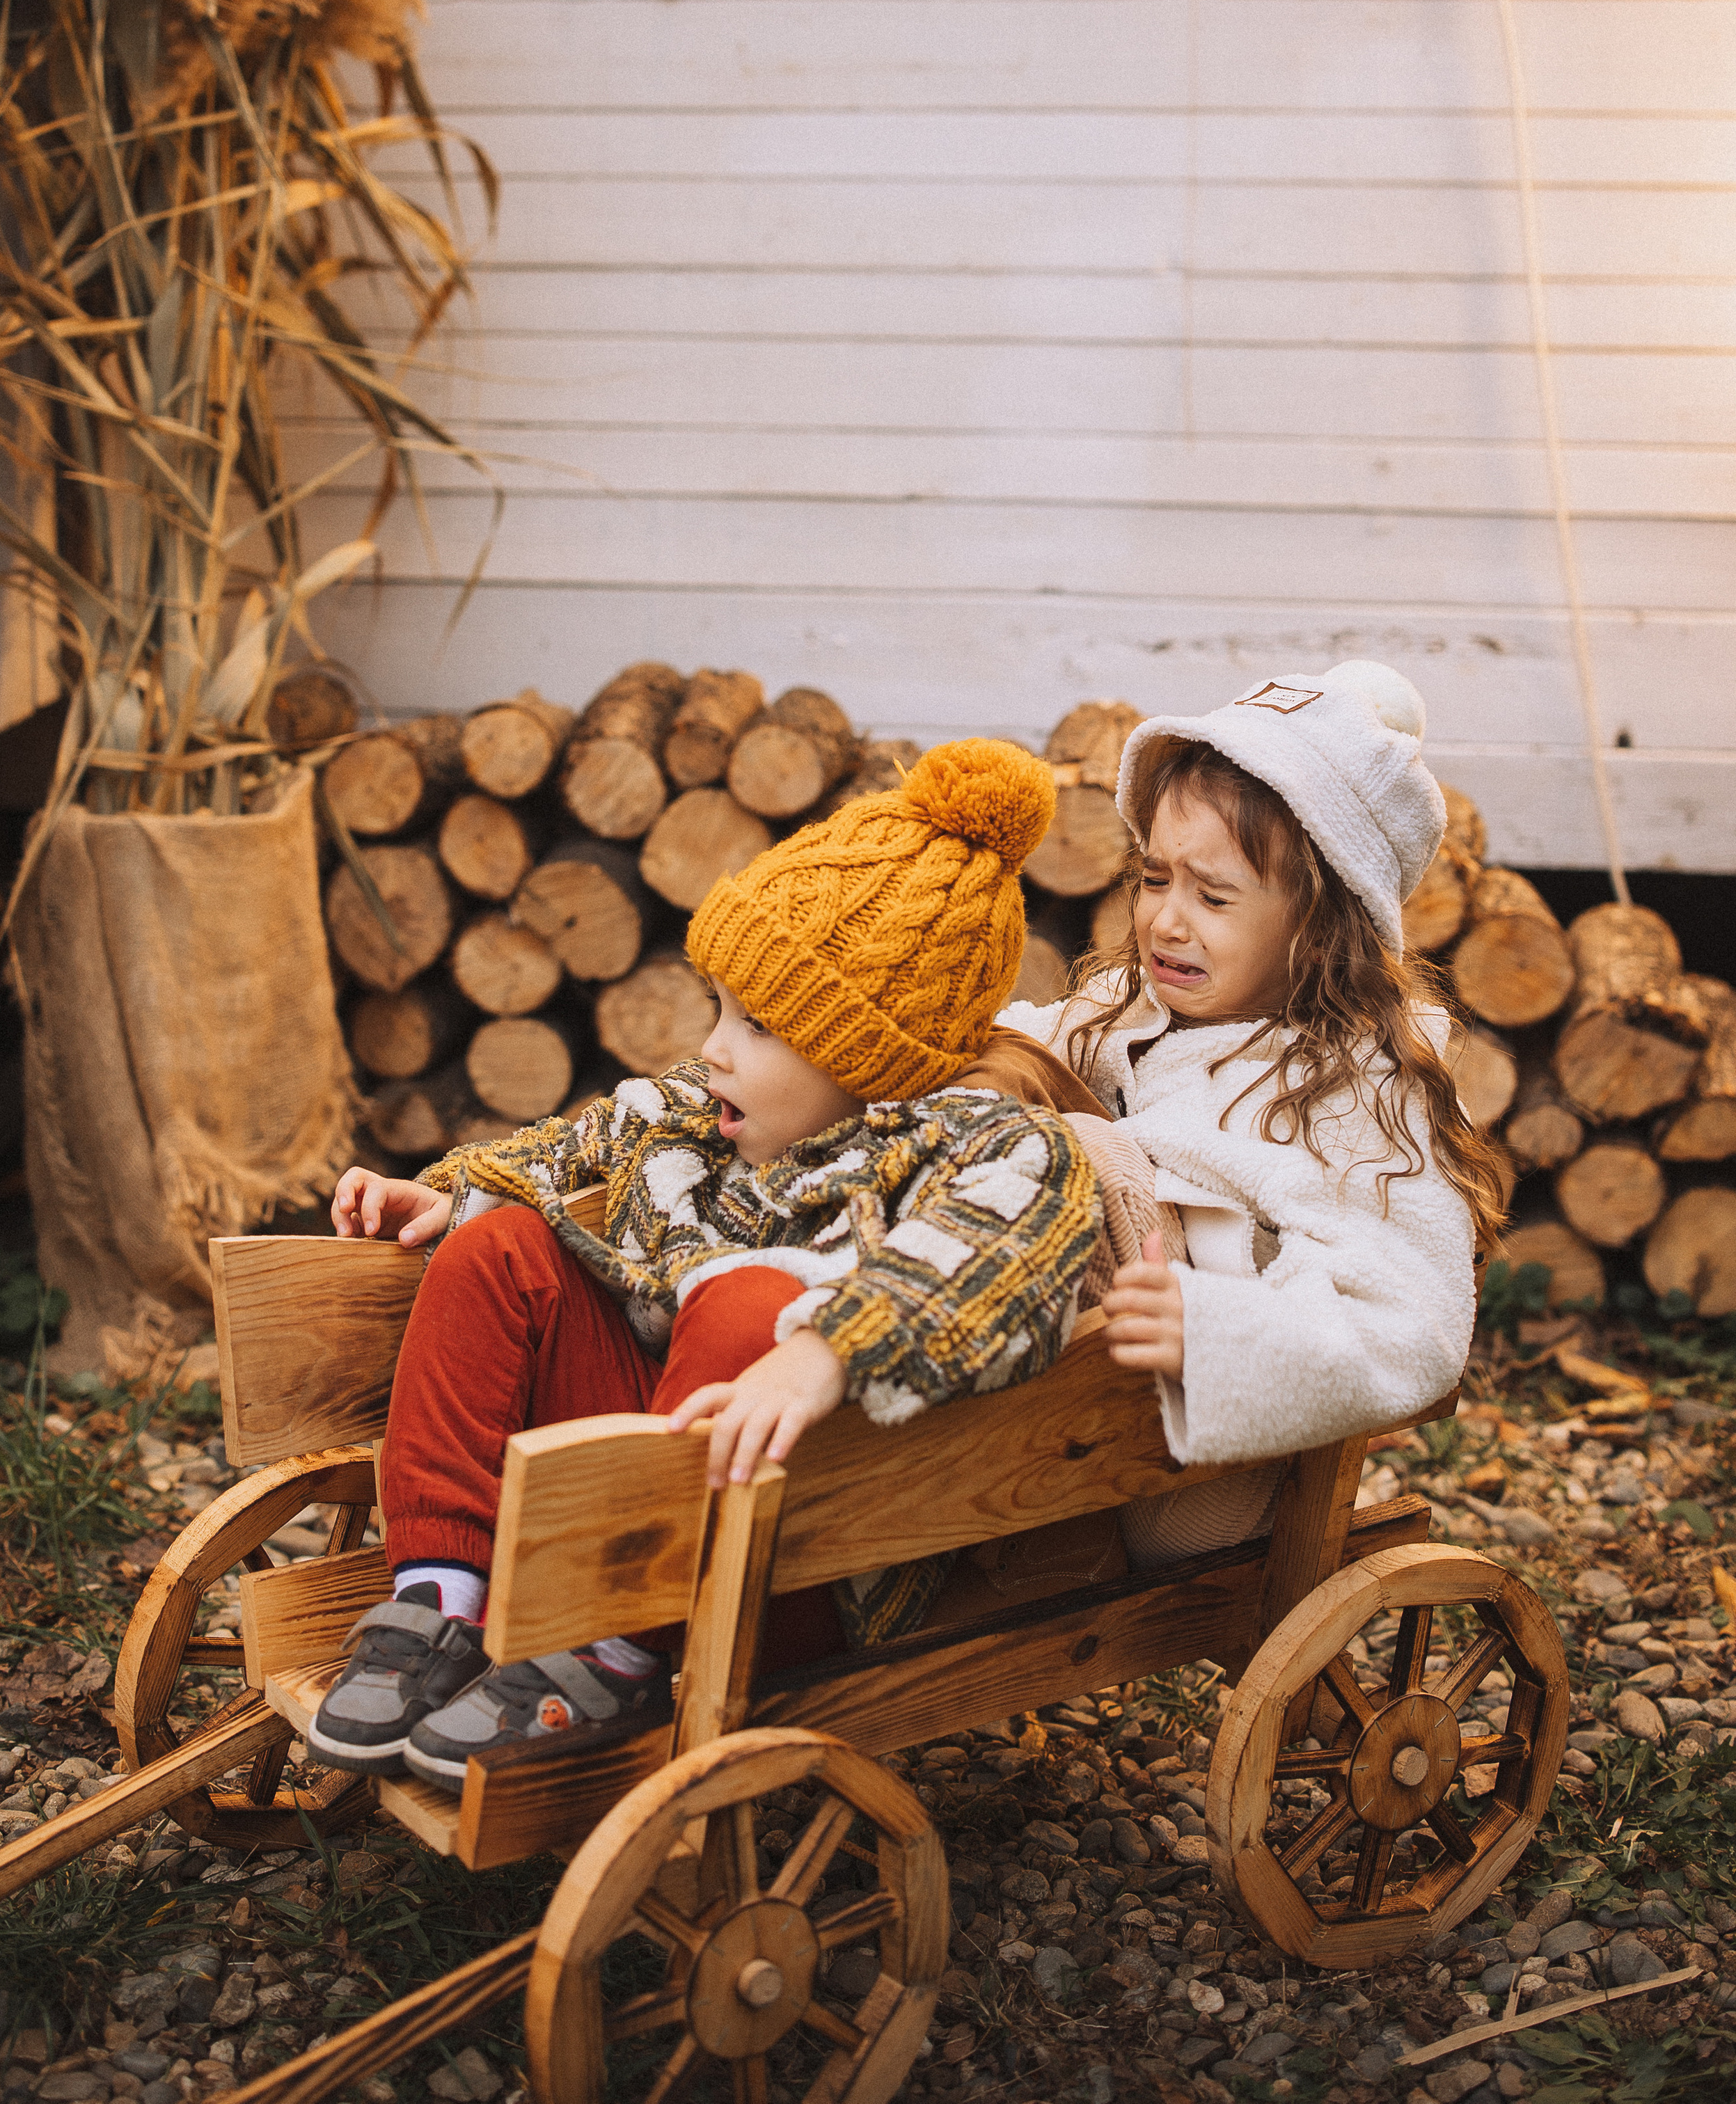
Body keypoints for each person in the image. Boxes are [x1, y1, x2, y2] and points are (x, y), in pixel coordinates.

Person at [306, 738, 1099, 1789]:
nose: (714, 1047)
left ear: (869, 1057)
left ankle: (617, 1648)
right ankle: (445, 1591)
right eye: (718, 1006)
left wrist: (826, 1350)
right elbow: (572, 1147)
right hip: (653, 1486)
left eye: (759, 1025)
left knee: (749, 1302)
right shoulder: (701, 1112)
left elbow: (998, 1267)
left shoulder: (986, 1151)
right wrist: (450, 1195)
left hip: (796, 1542)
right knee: (500, 1247)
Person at [1001, 661, 1505, 1567]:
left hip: (1197, 1467)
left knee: (1079, 1154)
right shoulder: (1131, 1010)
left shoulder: (1361, 1088)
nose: (1165, 921)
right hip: (1071, 1416)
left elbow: (1415, 1328)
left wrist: (1222, 1330)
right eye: (1155, 880)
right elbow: (1022, 1045)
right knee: (999, 1074)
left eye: (1215, 897)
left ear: (1320, 925)